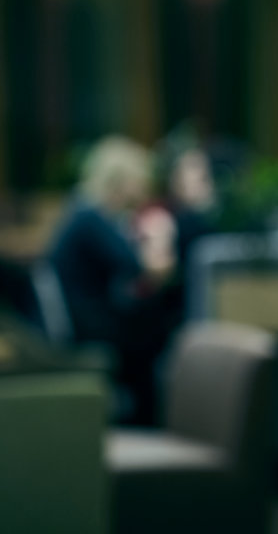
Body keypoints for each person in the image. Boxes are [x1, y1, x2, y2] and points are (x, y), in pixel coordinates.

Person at [46, 135, 178, 425]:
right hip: (87, 323)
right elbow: (133, 265)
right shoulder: (90, 216)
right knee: (158, 328)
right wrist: (160, 238)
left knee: (150, 322)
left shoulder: (84, 212)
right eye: (139, 179)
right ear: (121, 180)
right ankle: (148, 424)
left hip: (86, 316)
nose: (144, 187)